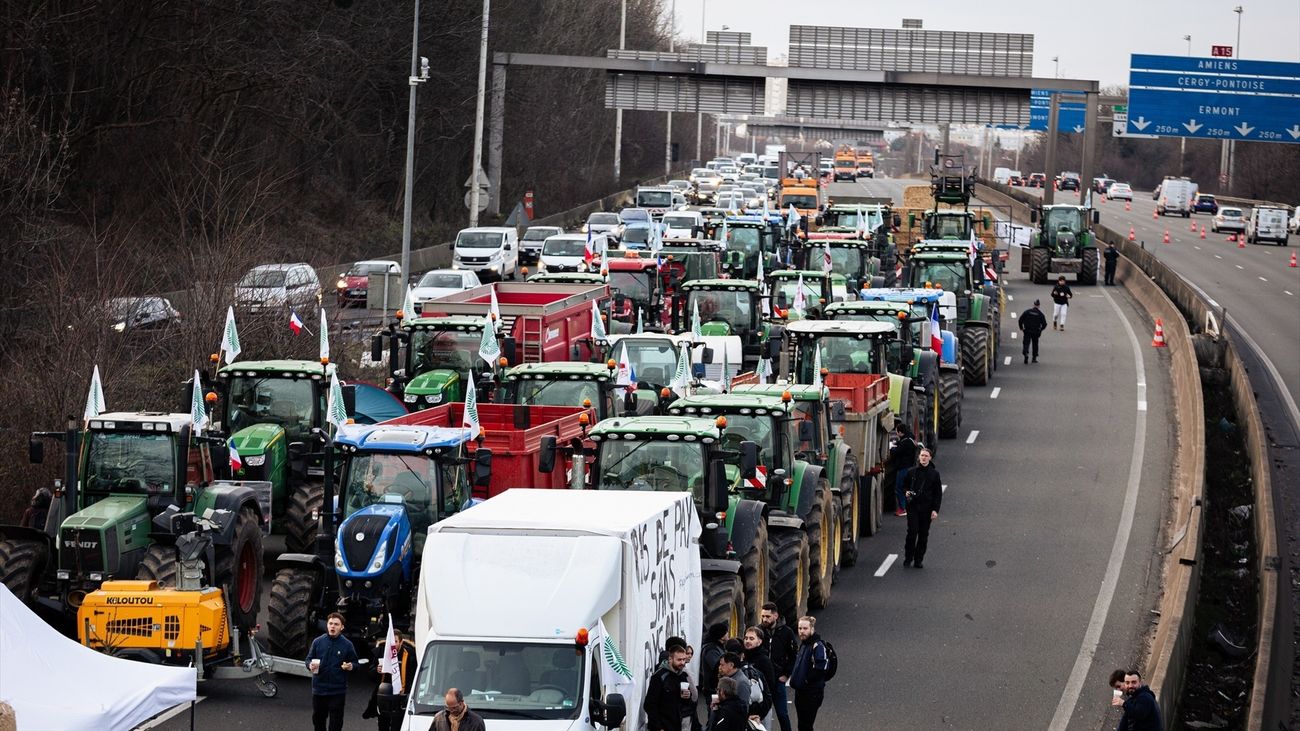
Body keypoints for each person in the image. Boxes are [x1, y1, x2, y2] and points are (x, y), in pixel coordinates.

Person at [306, 612, 359, 731]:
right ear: (327, 625)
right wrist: (310, 665)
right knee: (318, 721)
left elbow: (356, 664)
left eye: (336, 624)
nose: (332, 626)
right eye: (330, 623)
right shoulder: (318, 642)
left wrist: (351, 666)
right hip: (319, 689)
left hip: (337, 691)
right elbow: (308, 659)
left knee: (336, 724)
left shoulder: (347, 645)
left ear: (342, 627)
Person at [363, 629, 418, 731]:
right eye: (390, 642)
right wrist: (377, 670)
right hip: (384, 696)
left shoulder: (410, 654)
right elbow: (370, 676)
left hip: (401, 696)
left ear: (401, 642)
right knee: (383, 725)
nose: (392, 645)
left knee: (397, 726)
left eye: (395, 642)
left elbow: (414, 676)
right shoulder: (381, 652)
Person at [902, 448, 942, 568]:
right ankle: (908, 557)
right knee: (912, 532)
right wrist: (906, 492)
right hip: (913, 507)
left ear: (930, 458)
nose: (923, 458)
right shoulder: (911, 472)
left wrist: (935, 510)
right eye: (922, 455)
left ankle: (918, 560)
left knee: (923, 535)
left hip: (927, 508)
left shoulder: (934, 474)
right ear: (919, 457)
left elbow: (938, 493)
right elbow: (904, 486)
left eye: (926, 456)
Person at [760, 604, 797, 731]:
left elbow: (793, 656)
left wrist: (786, 674)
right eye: (763, 616)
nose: (764, 619)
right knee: (760, 715)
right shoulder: (759, 631)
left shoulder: (787, 632)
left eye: (768, 616)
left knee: (782, 714)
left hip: (778, 681)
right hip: (762, 681)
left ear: (775, 616)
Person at [789, 616, 829, 731]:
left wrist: (806, 681)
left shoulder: (818, 646)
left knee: (806, 725)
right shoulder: (804, 644)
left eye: (805, 628)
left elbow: (821, 668)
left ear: (812, 629)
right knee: (803, 725)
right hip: (801, 692)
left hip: (811, 694)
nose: (801, 631)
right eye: (800, 628)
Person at [645, 643, 696, 731]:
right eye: (679, 660)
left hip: (680, 725)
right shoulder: (659, 677)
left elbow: (688, 702)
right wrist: (659, 727)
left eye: (684, 659)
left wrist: (688, 696)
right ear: (670, 659)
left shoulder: (683, 675)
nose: (682, 663)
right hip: (664, 726)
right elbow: (649, 705)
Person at [743, 626, 778, 727]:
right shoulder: (743, 658)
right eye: (746, 638)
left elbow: (770, 688)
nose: (747, 641)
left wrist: (761, 713)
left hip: (762, 710)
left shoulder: (764, 661)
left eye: (751, 638)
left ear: (759, 641)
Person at [888, 425, 917, 517]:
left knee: (899, 488)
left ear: (900, 432)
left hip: (903, 469)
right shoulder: (910, 440)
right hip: (910, 468)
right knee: (908, 489)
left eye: (897, 432)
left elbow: (896, 452)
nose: (896, 433)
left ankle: (902, 509)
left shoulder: (905, 442)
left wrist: (891, 448)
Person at [699, 622, 730, 699]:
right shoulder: (711, 650)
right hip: (713, 690)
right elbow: (717, 667)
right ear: (721, 636)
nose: (728, 634)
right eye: (726, 632)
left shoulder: (719, 647)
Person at [1018, 300, 1048, 364]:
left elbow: (1020, 320)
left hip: (1027, 330)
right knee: (1035, 344)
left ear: (1033, 305)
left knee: (1026, 343)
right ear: (1039, 306)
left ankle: (1026, 352)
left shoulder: (1027, 312)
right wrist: (1040, 330)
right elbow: (1044, 324)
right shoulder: (1040, 314)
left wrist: (1021, 328)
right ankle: (1034, 358)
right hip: (1036, 331)